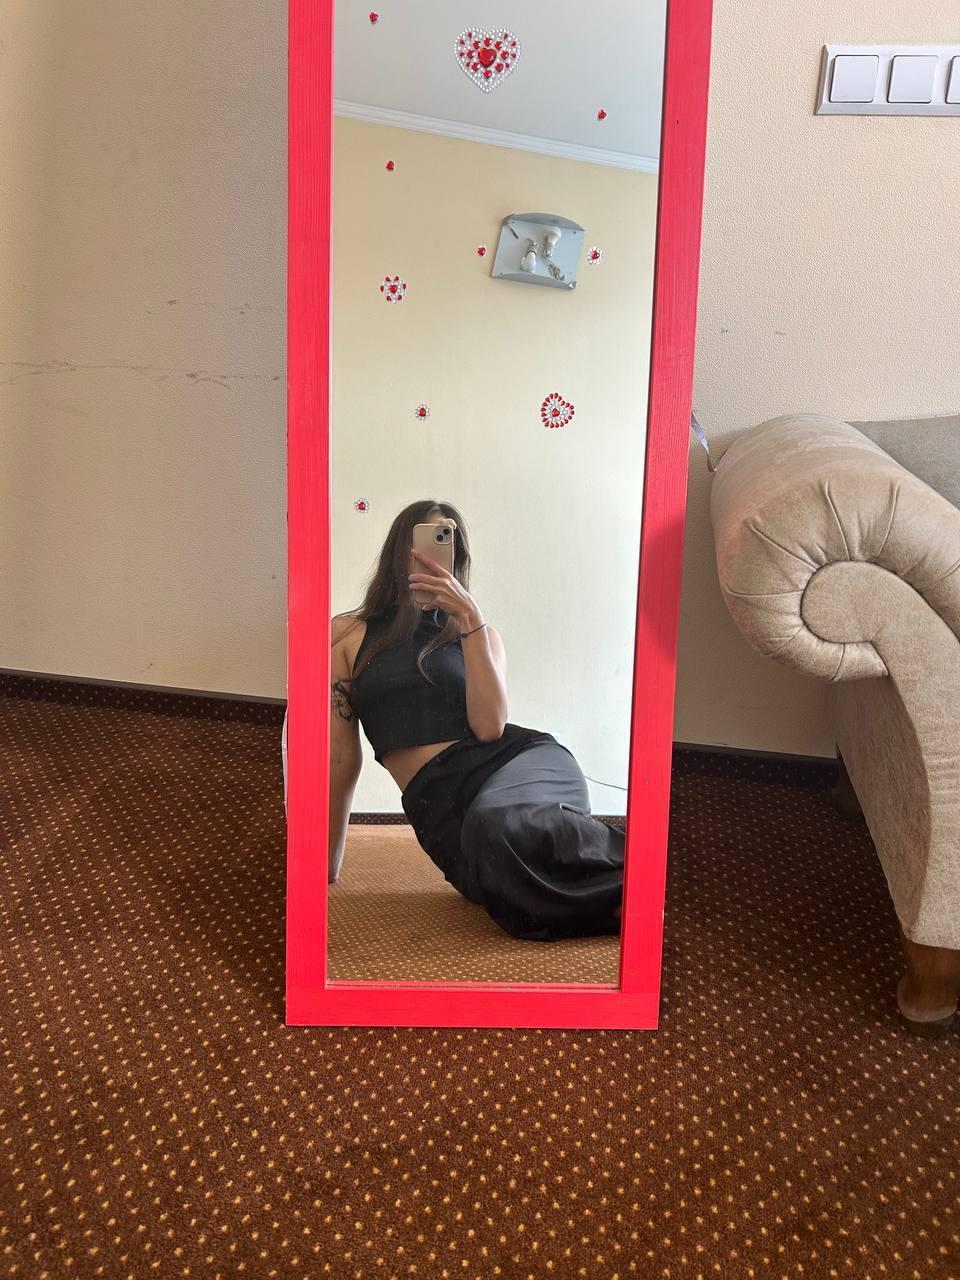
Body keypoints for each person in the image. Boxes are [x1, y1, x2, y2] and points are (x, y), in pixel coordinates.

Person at [328, 499, 624, 942]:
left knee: (496, 826)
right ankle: (625, 888)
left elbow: (489, 728)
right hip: (440, 810)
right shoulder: (347, 633)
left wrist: (470, 618)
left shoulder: (479, 635)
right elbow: (339, 756)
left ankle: (642, 877)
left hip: (520, 765)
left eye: (448, 548)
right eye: (424, 545)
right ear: (400, 551)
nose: (434, 560)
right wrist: (326, 858)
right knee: (491, 885)